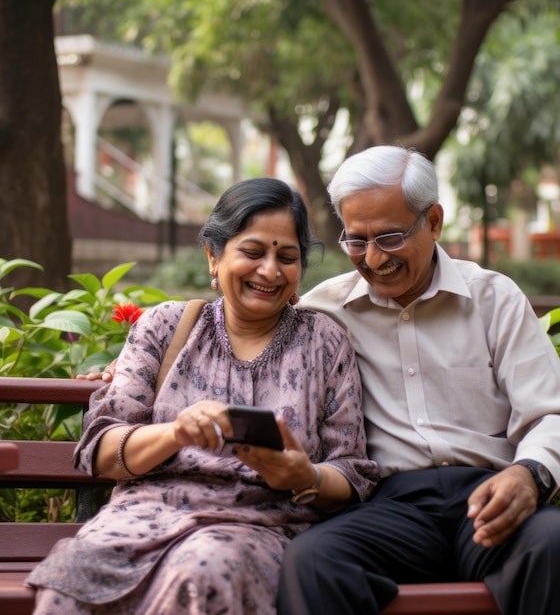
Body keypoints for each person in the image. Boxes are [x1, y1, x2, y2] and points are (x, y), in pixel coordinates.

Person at [26, 177, 378, 615]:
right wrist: (176, 433)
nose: (270, 271)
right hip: (136, 523)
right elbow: (102, 450)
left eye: (286, 257)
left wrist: (304, 477)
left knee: (206, 569)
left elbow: (352, 474)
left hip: (257, 528)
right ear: (213, 256)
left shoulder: (324, 343)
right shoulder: (165, 327)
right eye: (252, 252)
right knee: (68, 580)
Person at [277, 145, 560, 615]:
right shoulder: (324, 311)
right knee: (312, 559)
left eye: (388, 237)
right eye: (355, 240)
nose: (371, 258)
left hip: (489, 495)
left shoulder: (493, 299)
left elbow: (555, 416)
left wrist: (528, 475)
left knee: (554, 542)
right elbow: (244, 333)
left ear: (433, 222)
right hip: (389, 509)